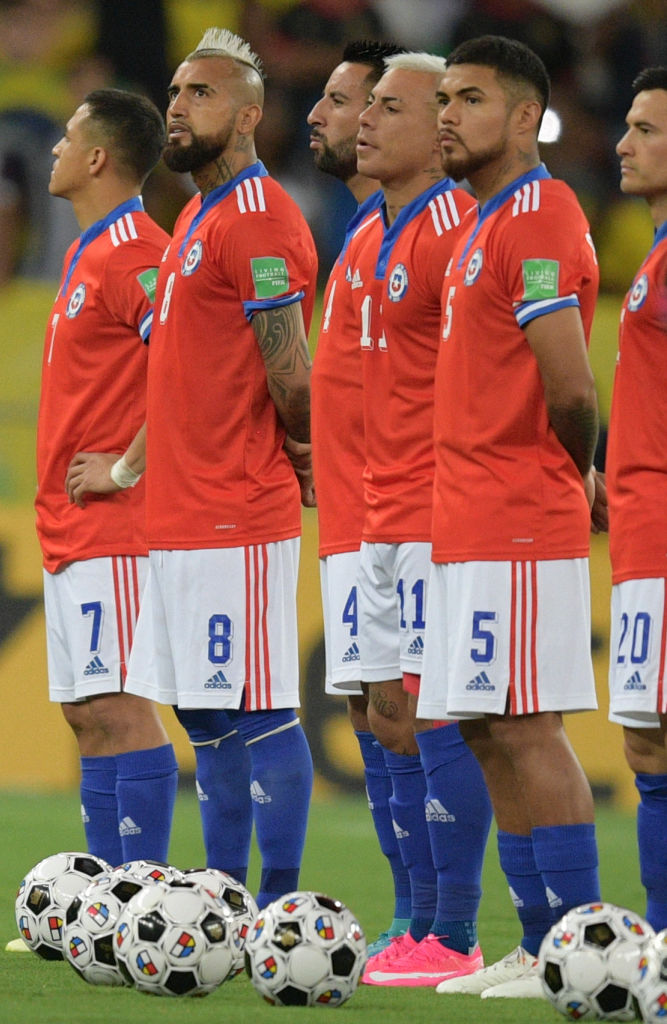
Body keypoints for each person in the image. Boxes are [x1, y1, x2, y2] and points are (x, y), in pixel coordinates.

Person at [67, 27, 317, 908]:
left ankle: (277, 906)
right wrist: (131, 469)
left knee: (261, 709)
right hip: (175, 517)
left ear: (249, 115)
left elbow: (291, 374)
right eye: (175, 93)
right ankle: (221, 894)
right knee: (206, 719)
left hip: (233, 514)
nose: (178, 107)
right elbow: (179, 376)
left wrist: (304, 451)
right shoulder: (196, 221)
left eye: (201, 95)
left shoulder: (257, 219)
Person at [418, 35, 602, 999]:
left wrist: (577, 472)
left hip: (519, 518)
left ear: (524, 117)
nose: (447, 113)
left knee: (528, 728)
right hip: (466, 522)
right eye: (442, 97)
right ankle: (538, 944)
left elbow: (569, 387)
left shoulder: (539, 214)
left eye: (471, 98)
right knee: (485, 731)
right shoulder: (479, 223)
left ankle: (582, 947)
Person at [336, 51, 492, 987]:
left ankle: (454, 929)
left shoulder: (451, 226)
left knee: (435, 719)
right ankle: (416, 922)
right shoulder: (381, 232)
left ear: (436, 126)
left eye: (387, 108)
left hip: (436, 509)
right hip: (378, 510)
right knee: (393, 720)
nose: (364, 120)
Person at [35, 88, 178, 870]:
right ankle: (102, 895)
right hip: (71, 525)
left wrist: (126, 464)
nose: (54, 151)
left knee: (120, 707)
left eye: (65, 137)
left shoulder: (138, 254)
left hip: (118, 525)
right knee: (86, 712)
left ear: (97, 158)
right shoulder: (86, 250)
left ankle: (140, 888)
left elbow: (188, 370)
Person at [307, 38, 413, 956]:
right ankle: (408, 916)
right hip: (347, 513)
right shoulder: (360, 237)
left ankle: (437, 920)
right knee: (365, 712)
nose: (331, 117)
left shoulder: (429, 224)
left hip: (401, 515)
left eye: (348, 101)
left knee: (403, 709)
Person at [606, 67, 667, 932]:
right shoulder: (653, 255)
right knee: (648, 745)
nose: (622, 142)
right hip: (638, 528)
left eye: (647, 129)